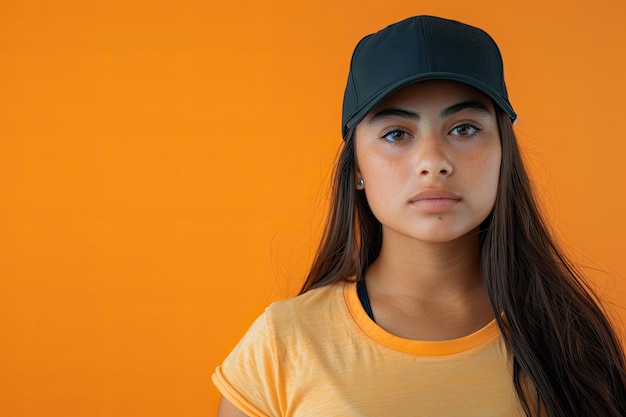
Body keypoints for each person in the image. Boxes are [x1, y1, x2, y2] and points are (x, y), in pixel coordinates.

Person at [212, 15, 626, 416]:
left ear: (504, 154)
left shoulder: (573, 342)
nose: (433, 162)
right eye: (396, 134)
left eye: (464, 129)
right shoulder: (283, 344)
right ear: (356, 167)